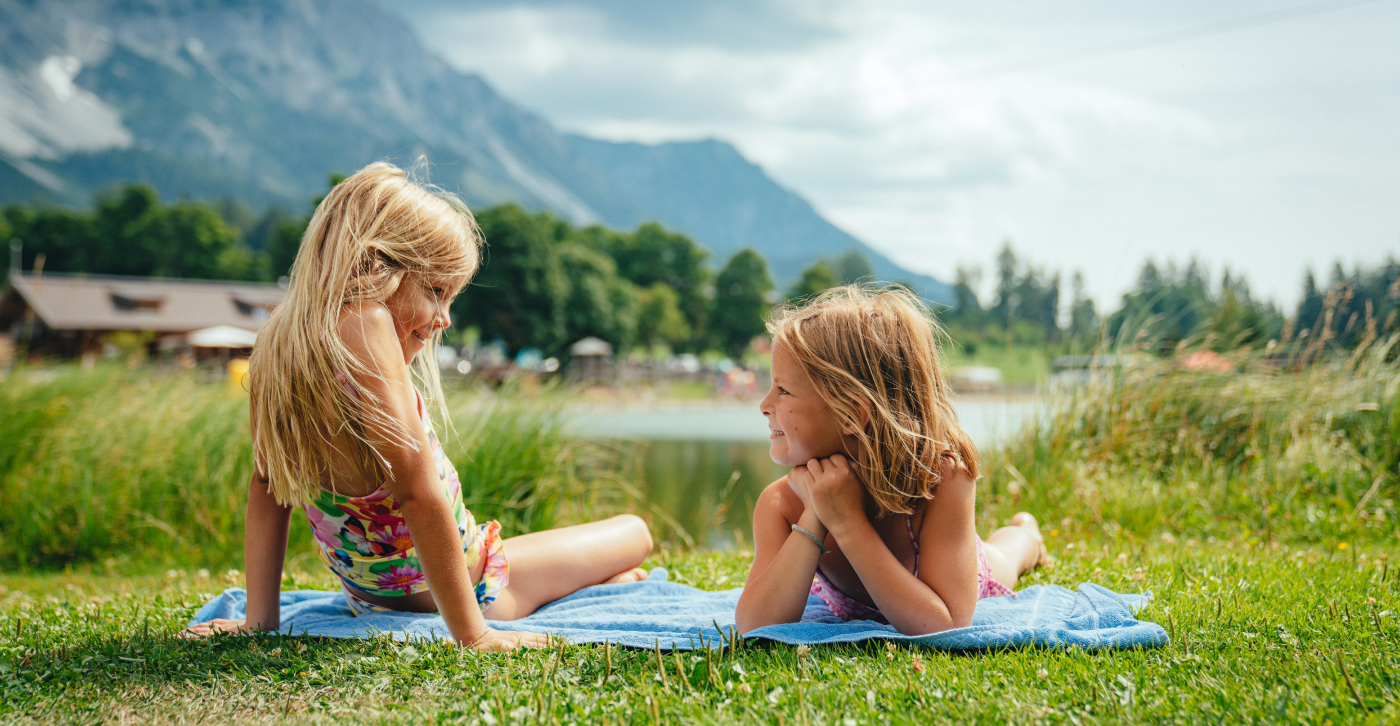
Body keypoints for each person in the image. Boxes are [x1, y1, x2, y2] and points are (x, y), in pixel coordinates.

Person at [186, 163, 652, 650]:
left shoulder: (279, 339)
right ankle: (571, 589)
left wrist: (261, 619)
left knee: (590, 561)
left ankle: (588, 586)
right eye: (435, 292)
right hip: (483, 588)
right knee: (634, 532)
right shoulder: (365, 321)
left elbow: (267, 485)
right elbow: (416, 491)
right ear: (376, 267)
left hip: (370, 599)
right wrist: (474, 634)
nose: (445, 319)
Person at [735, 285, 1048, 636]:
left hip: (952, 576)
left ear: (852, 414)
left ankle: (1027, 535)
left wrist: (847, 522)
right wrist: (816, 515)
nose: (764, 403)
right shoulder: (782, 505)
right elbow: (753, 625)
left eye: (784, 390)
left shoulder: (943, 477)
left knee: (1005, 558)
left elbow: (947, 623)